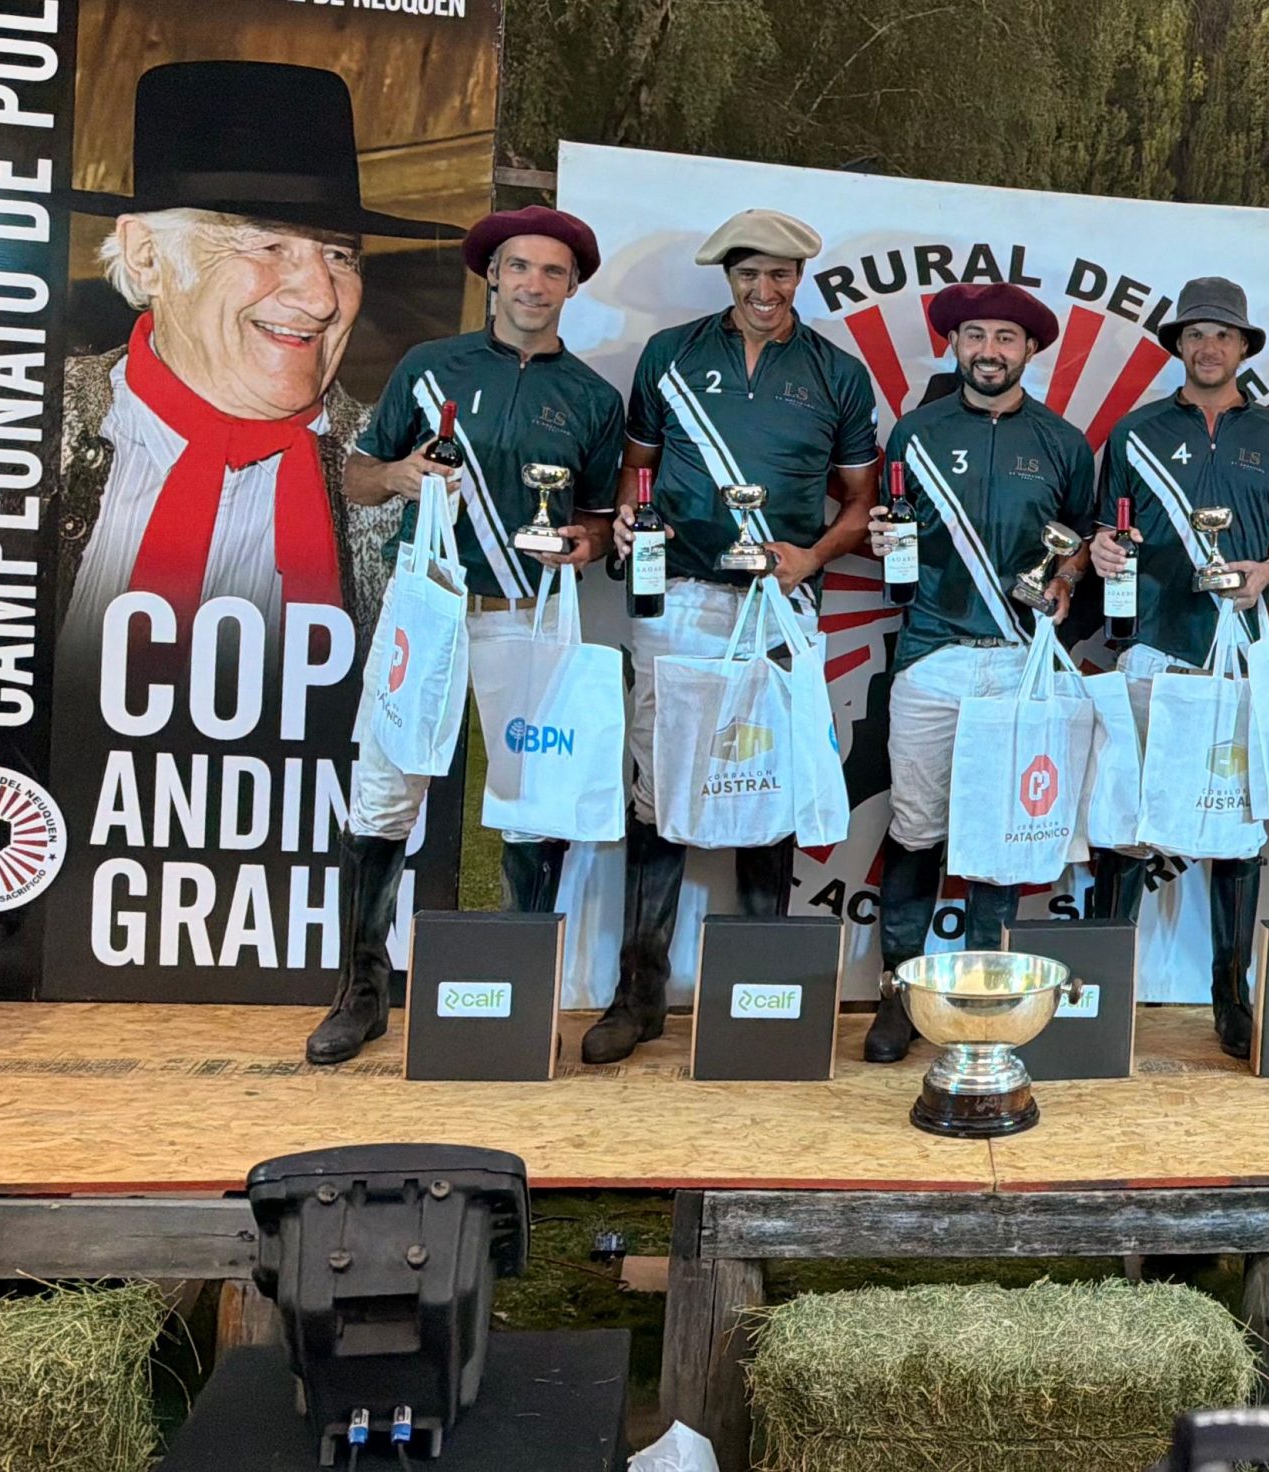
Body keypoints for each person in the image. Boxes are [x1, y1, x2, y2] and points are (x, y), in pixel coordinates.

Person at [306, 208, 624, 1065]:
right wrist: (403, 473)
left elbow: (596, 525)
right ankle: (363, 992)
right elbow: (357, 480)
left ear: (572, 286)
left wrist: (582, 543)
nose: (533, 285)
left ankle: (524, 1000)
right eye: (519, 268)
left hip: (527, 616)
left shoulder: (592, 398)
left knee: (530, 810)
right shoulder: (428, 367)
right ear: (493, 276)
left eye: (552, 273)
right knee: (384, 795)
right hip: (432, 611)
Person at [582, 208, 881, 1066]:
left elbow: (861, 503)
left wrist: (811, 554)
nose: (765, 290)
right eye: (750, 274)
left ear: (800, 281)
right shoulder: (671, 354)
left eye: (781, 275)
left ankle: (760, 991)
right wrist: (636, 513)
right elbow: (637, 466)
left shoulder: (836, 374)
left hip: (780, 605)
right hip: (678, 595)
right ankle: (637, 995)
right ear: (728, 278)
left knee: (770, 786)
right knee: (657, 789)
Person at [57, 60, 462, 673]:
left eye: (340, 255)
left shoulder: (409, 480)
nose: (323, 298)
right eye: (270, 245)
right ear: (147, 258)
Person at [861, 283, 1097, 1061]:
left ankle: (988, 994)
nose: (989, 350)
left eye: (1005, 337)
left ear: (1030, 350)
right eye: (974, 336)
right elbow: (893, 534)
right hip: (930, 657)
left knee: (1002, 838)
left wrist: (1066, 578)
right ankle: (899, 995)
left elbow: (1078, 547)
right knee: (915, 829)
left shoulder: (1064, 443)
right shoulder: (915, 433)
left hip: (1019, 667)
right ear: (954, 345)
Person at [1085, 278, 1269, 1058]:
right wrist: (1102, 550)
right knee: (1130, 824)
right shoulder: (1135, 430)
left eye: (1223, 336)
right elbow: (1102, 532)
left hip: (1243, 652)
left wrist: (1268, 571)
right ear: (1178, 346)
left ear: (1244, 347)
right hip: (1154, 642)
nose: (1208, 348)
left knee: (1239, 826)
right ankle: (1106, 987)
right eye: (1195, 335)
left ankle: (1231, 991)